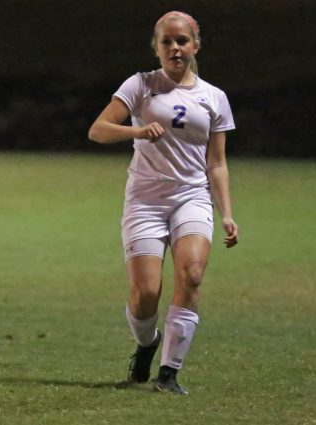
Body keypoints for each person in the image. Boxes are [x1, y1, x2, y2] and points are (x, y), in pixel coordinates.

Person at [88, 10, 239, 394]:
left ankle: (169, 373)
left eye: (182, 41)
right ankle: (146, 343)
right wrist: (137, 130)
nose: (175, 48)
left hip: (191, 197)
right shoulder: (140, 85)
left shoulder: (214, 98)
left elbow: (216, 163)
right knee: (146, 295)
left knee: (191, 274)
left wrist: (227, 215)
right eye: (167, 41)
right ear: (156, 48)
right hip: (146, 200)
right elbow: (98, 130)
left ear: (195, 45)